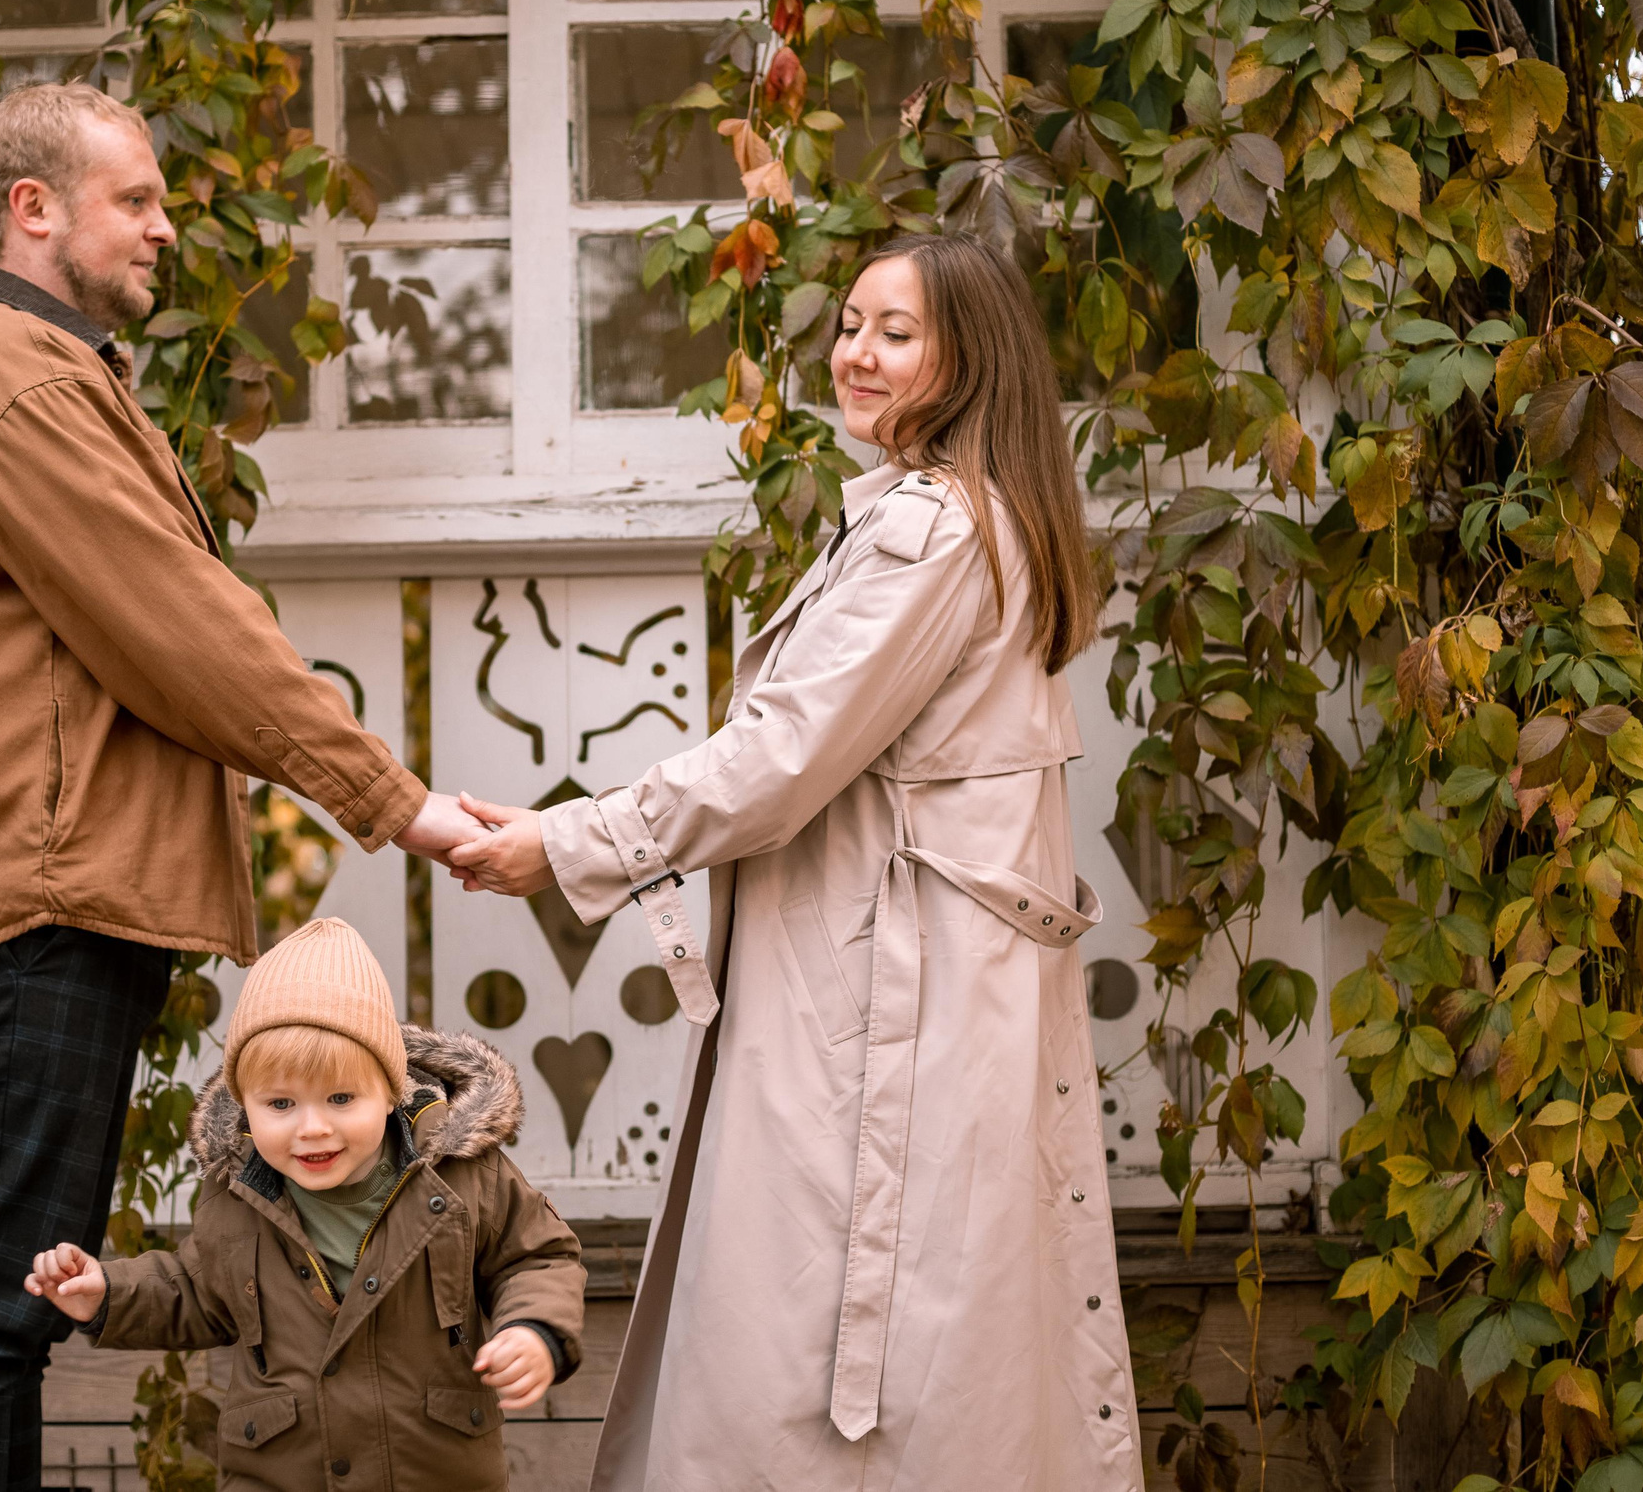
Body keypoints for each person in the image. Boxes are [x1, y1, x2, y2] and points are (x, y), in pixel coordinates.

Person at [0, 82, 483, 1488]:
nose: (163, 227)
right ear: (33, 208)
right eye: (134, 199)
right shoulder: (6, 372)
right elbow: (178, 623)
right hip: (35, 900)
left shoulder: (23, 369)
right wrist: (400, 800)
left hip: (41, 894)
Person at [449, 231, 1145, 1490]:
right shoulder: (954, 521)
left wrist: (565, 843)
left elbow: (777, 761)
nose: (856, 355)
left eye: (897, 332)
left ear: (968, 359)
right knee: (936, 1342)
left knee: (841, 1358)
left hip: (893, 1013)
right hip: (916, 1000)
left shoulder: (929, 532)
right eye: (850, 325)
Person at [24, 917, 587, 1491]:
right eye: (281, 1103)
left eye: (341, 1098)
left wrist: (534, 1329)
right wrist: (108, 1294)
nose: (312, 1128)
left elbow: (536, 1257)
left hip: (433, 1470)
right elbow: (195, 1290)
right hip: (279, 1471)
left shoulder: (458, 1175)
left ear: (392, 1091)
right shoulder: (239, 1193)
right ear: (246, 1104)